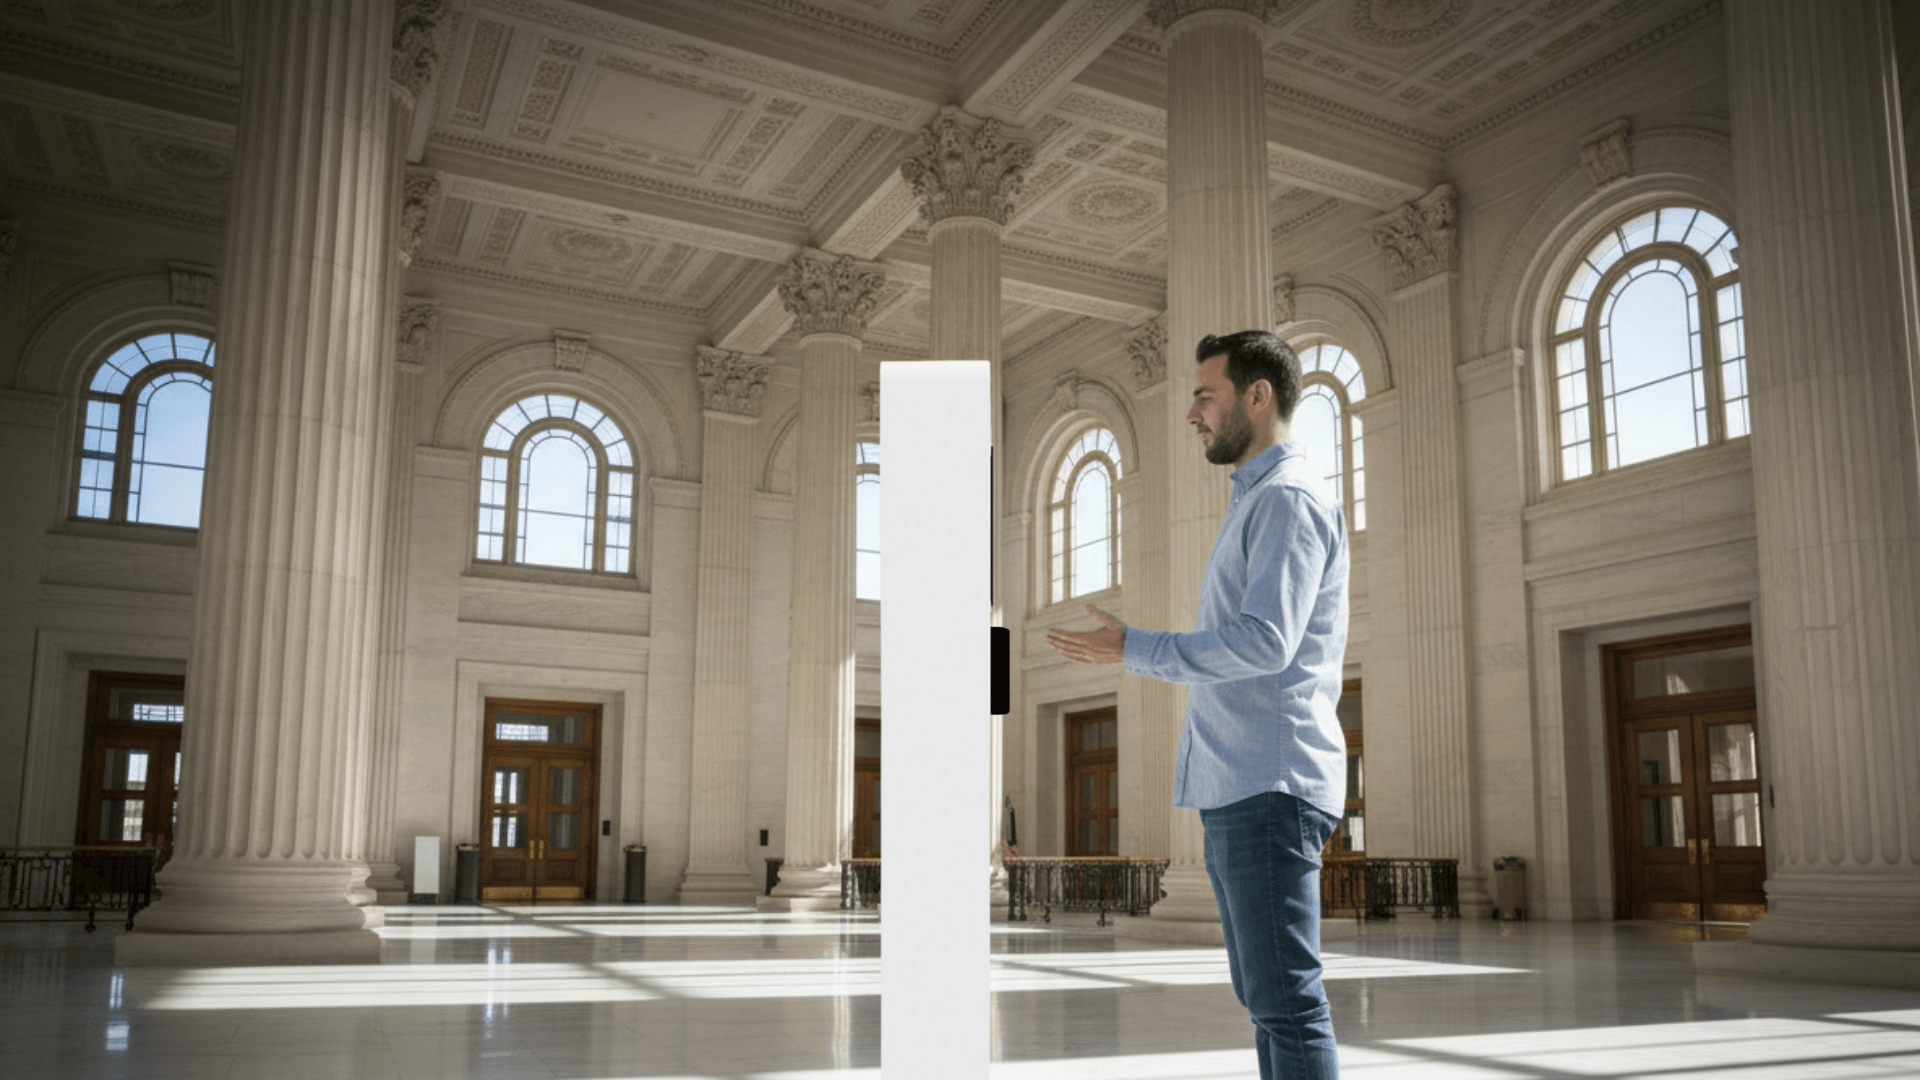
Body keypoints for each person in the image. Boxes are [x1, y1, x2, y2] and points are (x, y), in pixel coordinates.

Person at [1046, 329, 1348, 1080]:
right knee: (1267, 998)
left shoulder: (1285, 500)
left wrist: (1136, 649)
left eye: (1204, 395)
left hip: (1268, 786)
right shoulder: (1255, 501)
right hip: (1239, 785)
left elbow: (1264, 641)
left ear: (1258, 396)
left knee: (1288, 1002)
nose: (1192, 414)